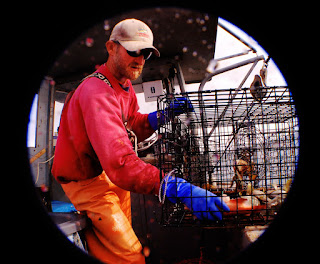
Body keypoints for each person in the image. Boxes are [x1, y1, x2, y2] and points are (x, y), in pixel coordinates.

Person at [52, 18, 229, 264]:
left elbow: (133, 123)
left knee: (114, 242)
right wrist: (176, 187)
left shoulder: (123, 86)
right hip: (85, 183)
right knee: (128, 254)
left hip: (106, 176)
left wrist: (162, 116)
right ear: (111, 48)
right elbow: (120, 162)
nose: (140, 59)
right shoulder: (96, 92)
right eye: (133, 50)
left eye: (145, 53)